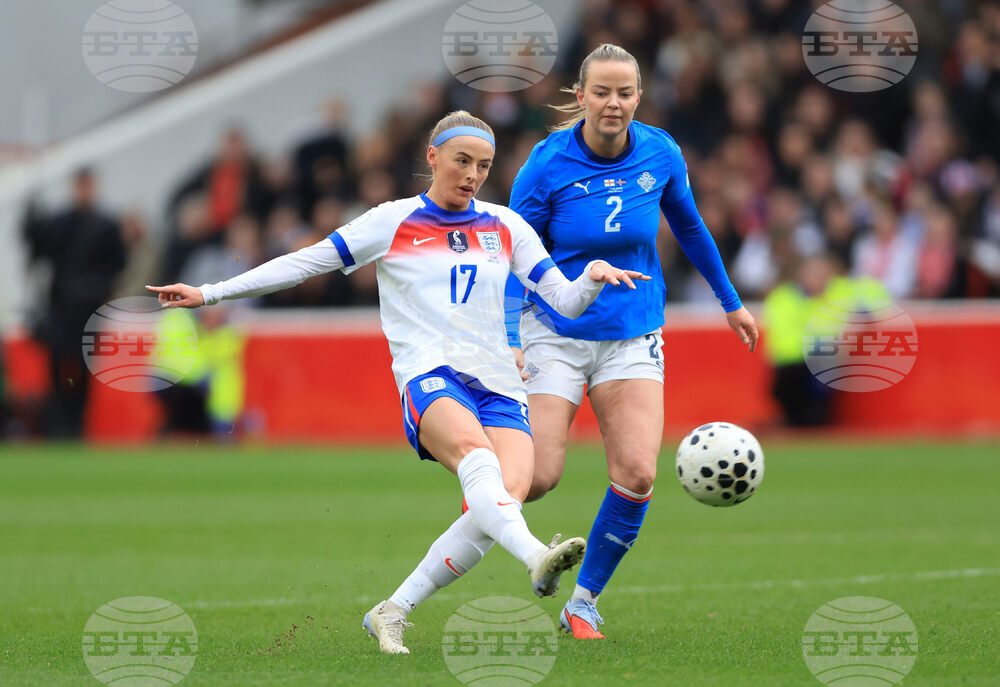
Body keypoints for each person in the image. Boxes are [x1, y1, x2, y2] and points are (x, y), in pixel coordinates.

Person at [146, 110, 649, 654]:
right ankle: (535, 557)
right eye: (462, 161)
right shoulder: (393, 220)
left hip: (501, 382)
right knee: (477, 459)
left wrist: (591, 278)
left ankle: (394, 609)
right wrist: (211, 292)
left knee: (502, 501)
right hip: (430, 374)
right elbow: (307, 262)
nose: (472, 174)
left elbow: (564, 301)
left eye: (483, 165)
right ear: (432, 156)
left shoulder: (506, 225)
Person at [501, 44, 760, 638]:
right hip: (555, 333)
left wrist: (730, 301)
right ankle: (479, 487)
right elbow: (514, 253)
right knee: (535, 479)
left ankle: (582, 602)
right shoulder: (545, 164)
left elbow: (689, 226)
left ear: (639, 97)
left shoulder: (661, 152)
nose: (613, 103)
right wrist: (510, 333)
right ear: (581, 97)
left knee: (639, 473)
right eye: (601, 92)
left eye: (624, 92)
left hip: (632, 335)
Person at [23, 168, 127, 438]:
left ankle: (78, 424)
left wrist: (96, 286)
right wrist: (30, 221)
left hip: (89, 309)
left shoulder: (106, 225)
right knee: (57, 365)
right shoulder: (59, 222)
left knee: (84, 367)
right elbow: (39, 248)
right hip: (61, 307)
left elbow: (118, 263)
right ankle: (58, 425)